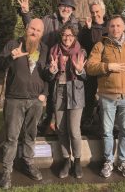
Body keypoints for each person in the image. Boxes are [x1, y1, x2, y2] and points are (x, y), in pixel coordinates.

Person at [86, 15, 125, 179]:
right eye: (112, 26)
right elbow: (90, 67)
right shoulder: (100, 46)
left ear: (124, 27)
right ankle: (108, 161)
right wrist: (108, 66)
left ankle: (123, 161)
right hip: (108, 97)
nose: (115, 29)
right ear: (107, 28)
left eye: (118, 26)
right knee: (107, 132)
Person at [18, 0, 81, 131]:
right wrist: (26, 13)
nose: (66, 9)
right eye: (63, 6)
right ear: (58, 7)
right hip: (48, 62)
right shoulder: (47, 20)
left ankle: (63, 123)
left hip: (69, 66)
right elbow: (34, 28)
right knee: (47, 93)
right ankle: (43, 121)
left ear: (72, 10)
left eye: (69, 7)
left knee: (64, 97)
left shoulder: (77, 24)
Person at [0, 19, 48, 189]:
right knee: (12, 137)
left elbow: (47, 74)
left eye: (38, 30)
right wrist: (11, 57)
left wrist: (44, 93)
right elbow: (0, 64)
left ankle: (28, 163)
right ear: (27, 28)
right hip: (15, 99)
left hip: (35, 101)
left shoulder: (44, 49)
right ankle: (6, 171)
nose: (34, 32)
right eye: (32, 28)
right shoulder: (14, 43)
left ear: (42, 34)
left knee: (30, 135)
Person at [46, 24, 86, 179]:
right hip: (59, 91)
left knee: (74, 130)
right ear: (61, 36)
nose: (67, 38)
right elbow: (50, 77)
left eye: (70, 35)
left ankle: (77, 161)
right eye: (65, 35)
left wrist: (80, 70)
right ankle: (66, 160)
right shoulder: (54, 51)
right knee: (61, 129)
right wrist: (53, 70)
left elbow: (85, 78)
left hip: (75, 91)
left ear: (74, 36)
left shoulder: (81, 51)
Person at [80, 0, 107, 124]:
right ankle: (87, 119)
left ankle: (103, 119)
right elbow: (83, 44)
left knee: (106, 95)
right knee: (89, 94)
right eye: (92, 12)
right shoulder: (87, 27)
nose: (95, 14)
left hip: (106, 67)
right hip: (92, 66)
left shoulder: (110, 26)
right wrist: (87, 29)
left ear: (103, 11)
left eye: (97, 11)